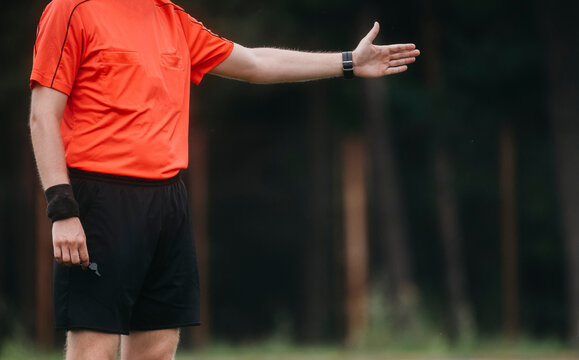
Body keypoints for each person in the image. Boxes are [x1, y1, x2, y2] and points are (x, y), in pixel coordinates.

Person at [29, 0, 420, 358]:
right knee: (93, 353)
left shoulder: (171, 17)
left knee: (157, 352)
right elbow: (42, 115)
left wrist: (349, 61)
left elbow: (255, 64)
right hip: (99, 201)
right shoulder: (71, 10)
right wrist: (62, 209)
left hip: (168, 203)